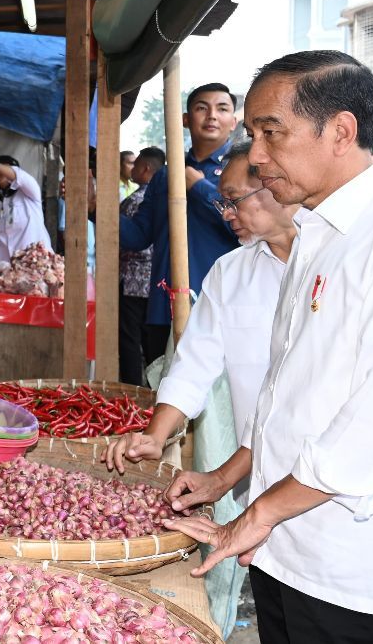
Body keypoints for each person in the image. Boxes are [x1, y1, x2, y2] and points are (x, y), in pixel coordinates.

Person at [166, 50, 373, 643]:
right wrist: (231, 482)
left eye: (271, 133)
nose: (256, 156)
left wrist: (257, 512)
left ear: (340, 131)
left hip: (357, 566)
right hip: (284, 547)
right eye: (253, 134)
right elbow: (290, 398)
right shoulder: (312, 237)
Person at [106, 139, 296, 476]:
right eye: (224, 202)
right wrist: (155, 435)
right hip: (254, 471)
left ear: (275, 186)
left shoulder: (336, 260)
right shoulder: (229, 272)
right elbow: (193, 363)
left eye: (234, 200)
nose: (226, 213)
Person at [120, 83, 240, 366]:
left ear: (233, 122)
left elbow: (242, 225)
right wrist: (95, 209)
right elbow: (138, 236)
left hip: (218, 309)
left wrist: (200, 187)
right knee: (161, 390)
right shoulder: (163, 176)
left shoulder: (243, 169)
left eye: (222, 109)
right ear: (185, 120)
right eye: (201, 108)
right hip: (163, 308)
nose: (211, 115)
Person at [119, 146, 164, 385]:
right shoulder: (156, 196)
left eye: (135, 164)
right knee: (149, 340)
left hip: (133, 282)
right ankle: (149, 385)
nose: (132, 169)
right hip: (152, 283)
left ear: (146, 168)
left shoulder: (137, 199)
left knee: (129, 338)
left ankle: (132, 386)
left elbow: (132, 237)